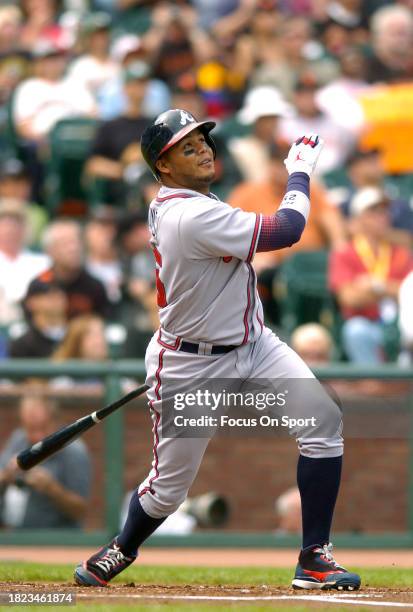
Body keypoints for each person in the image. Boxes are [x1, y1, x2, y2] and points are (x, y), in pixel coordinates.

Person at [74, 110, 360, 592]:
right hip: (191, 363)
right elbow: (287, 229)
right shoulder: (188, 214)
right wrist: (300, 171)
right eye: (187, 148)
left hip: (254, 343)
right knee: (169, 491)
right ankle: (123, 546)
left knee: (323, 421)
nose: (204, 149)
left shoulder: (199, 201)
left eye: (203, 140)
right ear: (163, 167)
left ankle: (314, 557)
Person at [329, 187, 413, 363]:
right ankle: (372, 386)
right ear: (357, 220)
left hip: (399, 324)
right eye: (373, 212)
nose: (381, 217)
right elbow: (349, 298)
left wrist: (375, 286)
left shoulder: (401, 252)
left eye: (384, 212)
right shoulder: (345, 253)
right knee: (356, 330)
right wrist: (393, 289)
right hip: (367, 322)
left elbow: (408, 292)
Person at [0, 391, 91, 528]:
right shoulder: (19, 439)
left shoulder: (74, 450)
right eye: (30, 428)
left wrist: (51, 488)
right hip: (17, 538)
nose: (37, 436)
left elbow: (81, 510)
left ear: (55, 421)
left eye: (42, 427)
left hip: (57, 541)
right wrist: (7, 475)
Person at [40, 219, 111, 320]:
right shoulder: (40, 285)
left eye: (76, 242)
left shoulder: (95, 287)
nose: (73, 248)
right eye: (65, 243)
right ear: (50, 250)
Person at [0, 205, 49, 326]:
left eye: (15, 226)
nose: (10, 231)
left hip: (35, 322)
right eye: (5, 225)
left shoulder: (42, 262)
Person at [8, 277, 67, 358]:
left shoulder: (77, 336)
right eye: (48, 294)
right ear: (30, 302)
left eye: (60, 292)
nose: (57, 297)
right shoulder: (22, 344)